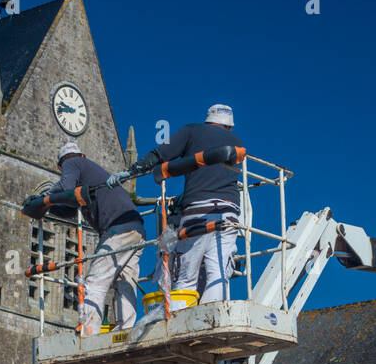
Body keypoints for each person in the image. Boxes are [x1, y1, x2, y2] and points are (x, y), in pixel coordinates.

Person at [109, 104, 243, 305]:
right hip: (229, 213)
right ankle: (213, 319)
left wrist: (132, 172)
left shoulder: (192, 130)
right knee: (218, 275)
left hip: (198, 210)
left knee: (186, 277)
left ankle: (183, 323)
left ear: (207, 120)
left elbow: (160, 154)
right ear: (229, 126)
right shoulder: (236, 141)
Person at [26, 142, 145, 336]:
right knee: (125, 281)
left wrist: (41, 199)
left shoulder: (71, 163)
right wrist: (48, 207)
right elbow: (69, 210)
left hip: (116, 231)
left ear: (60, 166)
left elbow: (65, 187)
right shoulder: (88, 175)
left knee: (95, 282)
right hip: (136, 229)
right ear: (83, 155)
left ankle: (88, 332)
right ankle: (126, 330)